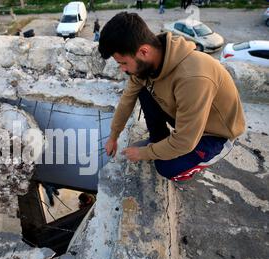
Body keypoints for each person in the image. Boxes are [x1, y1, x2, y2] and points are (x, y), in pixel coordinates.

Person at [98, 12, 245, 182]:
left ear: (143, 51)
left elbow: (184, 142)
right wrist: (113, 136)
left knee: (166, 168)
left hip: (215, 134)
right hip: (186, 119)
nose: (122, 69)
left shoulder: (193, 77)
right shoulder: (145, 65)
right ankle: (159, 140)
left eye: (123, 63)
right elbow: (127, 100)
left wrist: (144, 153)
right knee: (143, 90)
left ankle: (190, 162)